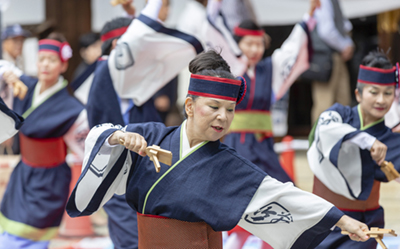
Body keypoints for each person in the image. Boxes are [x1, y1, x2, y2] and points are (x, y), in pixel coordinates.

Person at [67, 50, 369, 249]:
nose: (222, 117)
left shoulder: (227, 165)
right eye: (213, 107)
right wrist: (117, 138)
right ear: (189, 105)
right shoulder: (149, 137)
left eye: (230, 109)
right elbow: (100, 135)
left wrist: (341, 220)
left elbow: (281, 196)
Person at [74, 0, 203, 248]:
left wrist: (130, 13)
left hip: (145, 174)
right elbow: (133, 41)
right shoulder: (105, 71)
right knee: (131, 241)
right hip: (116, 174)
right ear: (117, 48)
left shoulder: (135, 86)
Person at [0, 34, 88, 249]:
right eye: (41, 59)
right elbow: (1, 66)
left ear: (63, 65)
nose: (45, 65)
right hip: (24, 171)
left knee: (29, 237)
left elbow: (86, 148)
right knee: (11, 228)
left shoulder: (73, 108)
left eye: (52, 59)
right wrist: (7, 75)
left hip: (49, 180)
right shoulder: (25, 85)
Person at [307, 51, 400, 249]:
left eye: (388, 93)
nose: (381, 100)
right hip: (322, 218)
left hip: (362, 227)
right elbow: (324, 130)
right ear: (358, 94)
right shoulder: (338, 114)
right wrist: (368, 141)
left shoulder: (391, 138)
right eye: (373, 92)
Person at [221, 0, 319, 183]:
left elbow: (292, 47)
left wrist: (308, 18)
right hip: (235, 142)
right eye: (249, 44)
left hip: (264, 143)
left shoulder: (269, 68)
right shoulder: (230, 70)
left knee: (283, 186)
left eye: (259, 44)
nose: (254, 50)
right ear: (237, 45)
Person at [311, 0, 354, 123]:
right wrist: (345, 45)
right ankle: (319, 139)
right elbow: (326, 31)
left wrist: (348, 44)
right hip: (326, 57)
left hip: (337, 56)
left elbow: (345, 25)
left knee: (343, 100)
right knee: (324, 102)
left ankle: (342, 137)